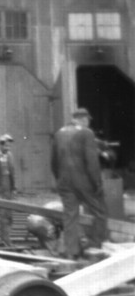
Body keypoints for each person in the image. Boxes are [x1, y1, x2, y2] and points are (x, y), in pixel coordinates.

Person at [50, 108, 108, 259]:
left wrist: (59, 179)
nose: (88, 123)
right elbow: (92, 162)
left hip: (64, 182)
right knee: (99, 211)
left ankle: (72, 251)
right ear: (84, 119)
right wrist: (97, 184)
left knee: (70, 215)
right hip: (83, 181)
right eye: (88, 120)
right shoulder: (87, 133)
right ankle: (94, 247)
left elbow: (53, 162)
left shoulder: (59, 133)